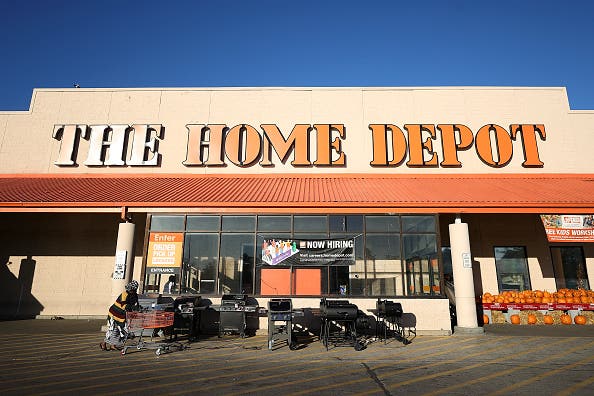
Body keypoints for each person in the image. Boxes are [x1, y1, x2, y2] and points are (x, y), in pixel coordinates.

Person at [100, 280, 140, 351]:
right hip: (114, 313)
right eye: (131, 289)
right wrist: (132, 308)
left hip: (122, 315)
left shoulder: (134, 295)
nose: (132, 291)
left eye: (133, 290)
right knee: (113, 329)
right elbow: (123, 305)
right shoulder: (124, 294)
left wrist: (138, 308)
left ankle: (112, 345)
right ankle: (104, 343)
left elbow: (136, 304)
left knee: (119, 330)